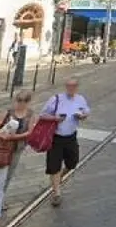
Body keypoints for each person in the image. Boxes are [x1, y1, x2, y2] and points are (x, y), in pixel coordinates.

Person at [0, 90, 36, 227]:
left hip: (17, 151)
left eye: (24, 101)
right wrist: (3, 135)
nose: (21, 103)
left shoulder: (31, 115)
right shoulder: (7, 114)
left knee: (7, 179)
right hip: (2, 150)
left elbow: (30, 133)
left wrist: (16, 137)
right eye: (19, 100)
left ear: (28, 102)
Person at [39, 78, 90, 206]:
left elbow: (86, 111)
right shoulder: (56, 99)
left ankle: (59, 177)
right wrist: (55, 118)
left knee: (73, 162)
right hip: (56, 137)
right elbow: (42, 115)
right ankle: (56, 193)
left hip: (71, 137)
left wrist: (82, 116)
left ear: (77, 87)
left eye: (73, 86)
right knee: (54, 165)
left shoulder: (80, 99)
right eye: (68, 86)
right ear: (66, 86)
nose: (71, 88)